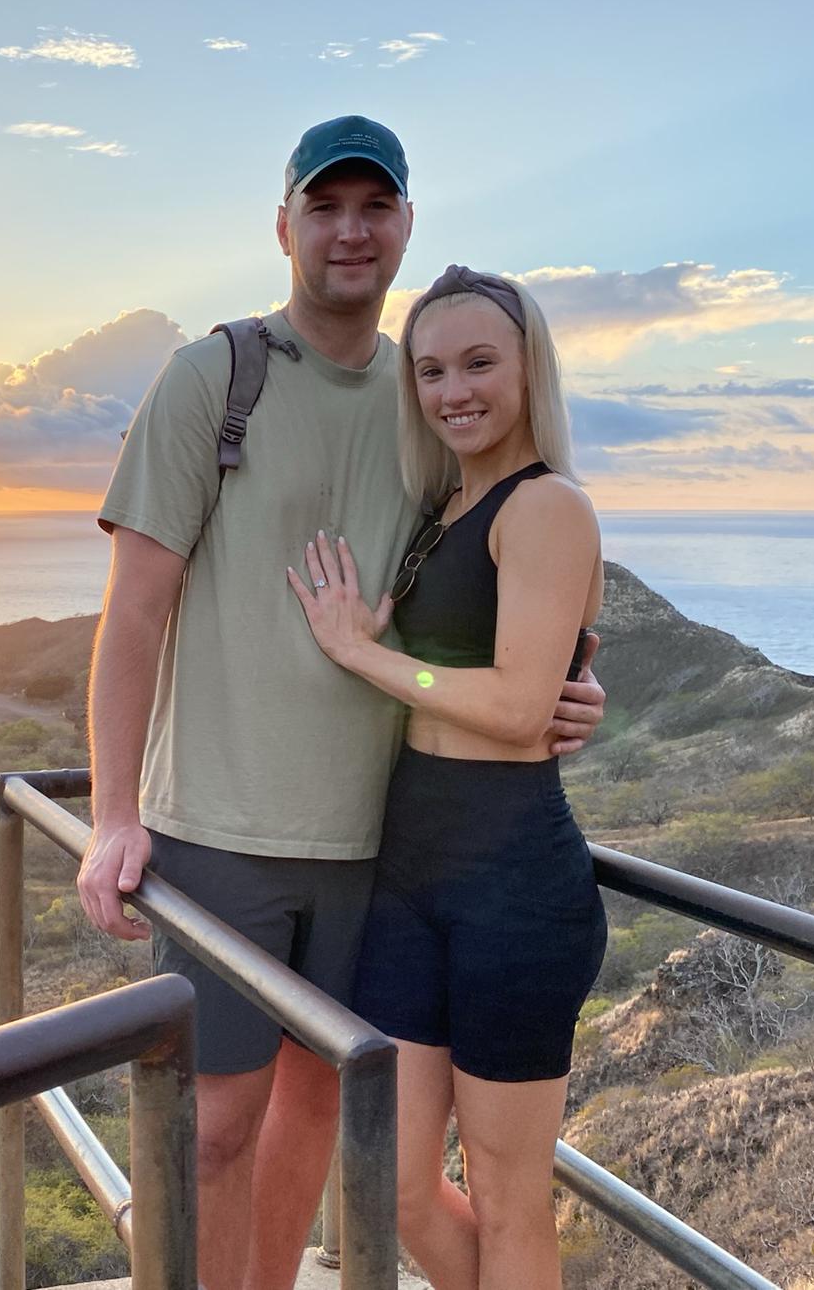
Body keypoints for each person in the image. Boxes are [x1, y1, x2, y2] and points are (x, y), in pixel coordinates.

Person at [78, 117, 607, 1290]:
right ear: (284, 227)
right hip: (221, 829)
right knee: (216, 1128)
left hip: (378, 844)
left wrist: (568, 683)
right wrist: (113, 814)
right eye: (325, 207)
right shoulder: (214, 377)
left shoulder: (423, 398)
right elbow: (134, 614)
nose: (350, 231)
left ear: (406, 225)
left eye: (375, 207)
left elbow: (499, 570)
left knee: (318, 1111)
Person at [286, 264, 607, 1290]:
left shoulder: (545, 505)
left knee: (511, 1205)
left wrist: (362, 653)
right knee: (394, 1184)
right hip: (411, 872)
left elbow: (516, 708)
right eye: (430, 371)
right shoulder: (443, 507)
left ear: (527, 368)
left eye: (477, 363)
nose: (452, 390)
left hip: (516, 887)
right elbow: (511, 673)